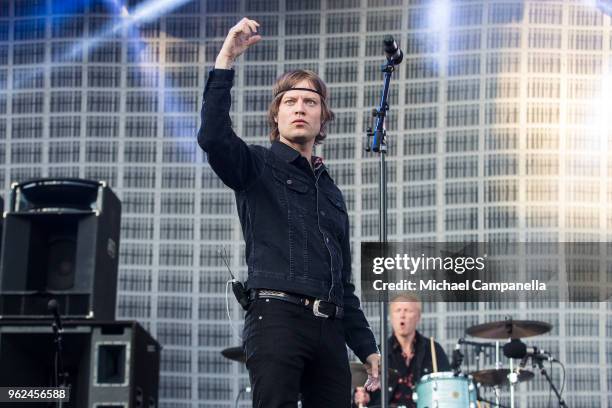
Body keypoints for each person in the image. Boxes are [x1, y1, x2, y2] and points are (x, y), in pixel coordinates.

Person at [197, 17, 381, 407]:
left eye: (310, 102)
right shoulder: (256, 165)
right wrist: (226, 59)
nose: (300, 108)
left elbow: (343, 284)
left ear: (322, 118)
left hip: (329, 329)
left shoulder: (331, 193)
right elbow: (213, 137)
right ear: (276, 115)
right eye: (290, 101)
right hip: (276, 318)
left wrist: (366, 346)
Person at [354, 294, 450, 408]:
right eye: (398, 310)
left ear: (418, 317)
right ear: (391, 317)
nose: (402, 315)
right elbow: (364, 394)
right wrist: (361, 398)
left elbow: (447, 391)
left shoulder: (434, 350)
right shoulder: (376, 354)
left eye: (408, 310)